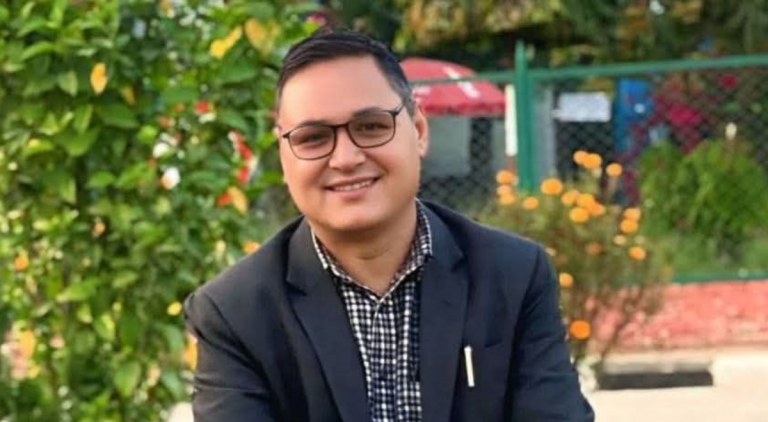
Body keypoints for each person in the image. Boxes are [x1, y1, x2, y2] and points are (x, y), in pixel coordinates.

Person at [184, 28, 594, 422]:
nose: (345, 159)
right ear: (284, 155)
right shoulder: (234, 313)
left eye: (371, 127)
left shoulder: (512, 276)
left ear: (418, 131)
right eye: (313, 137)